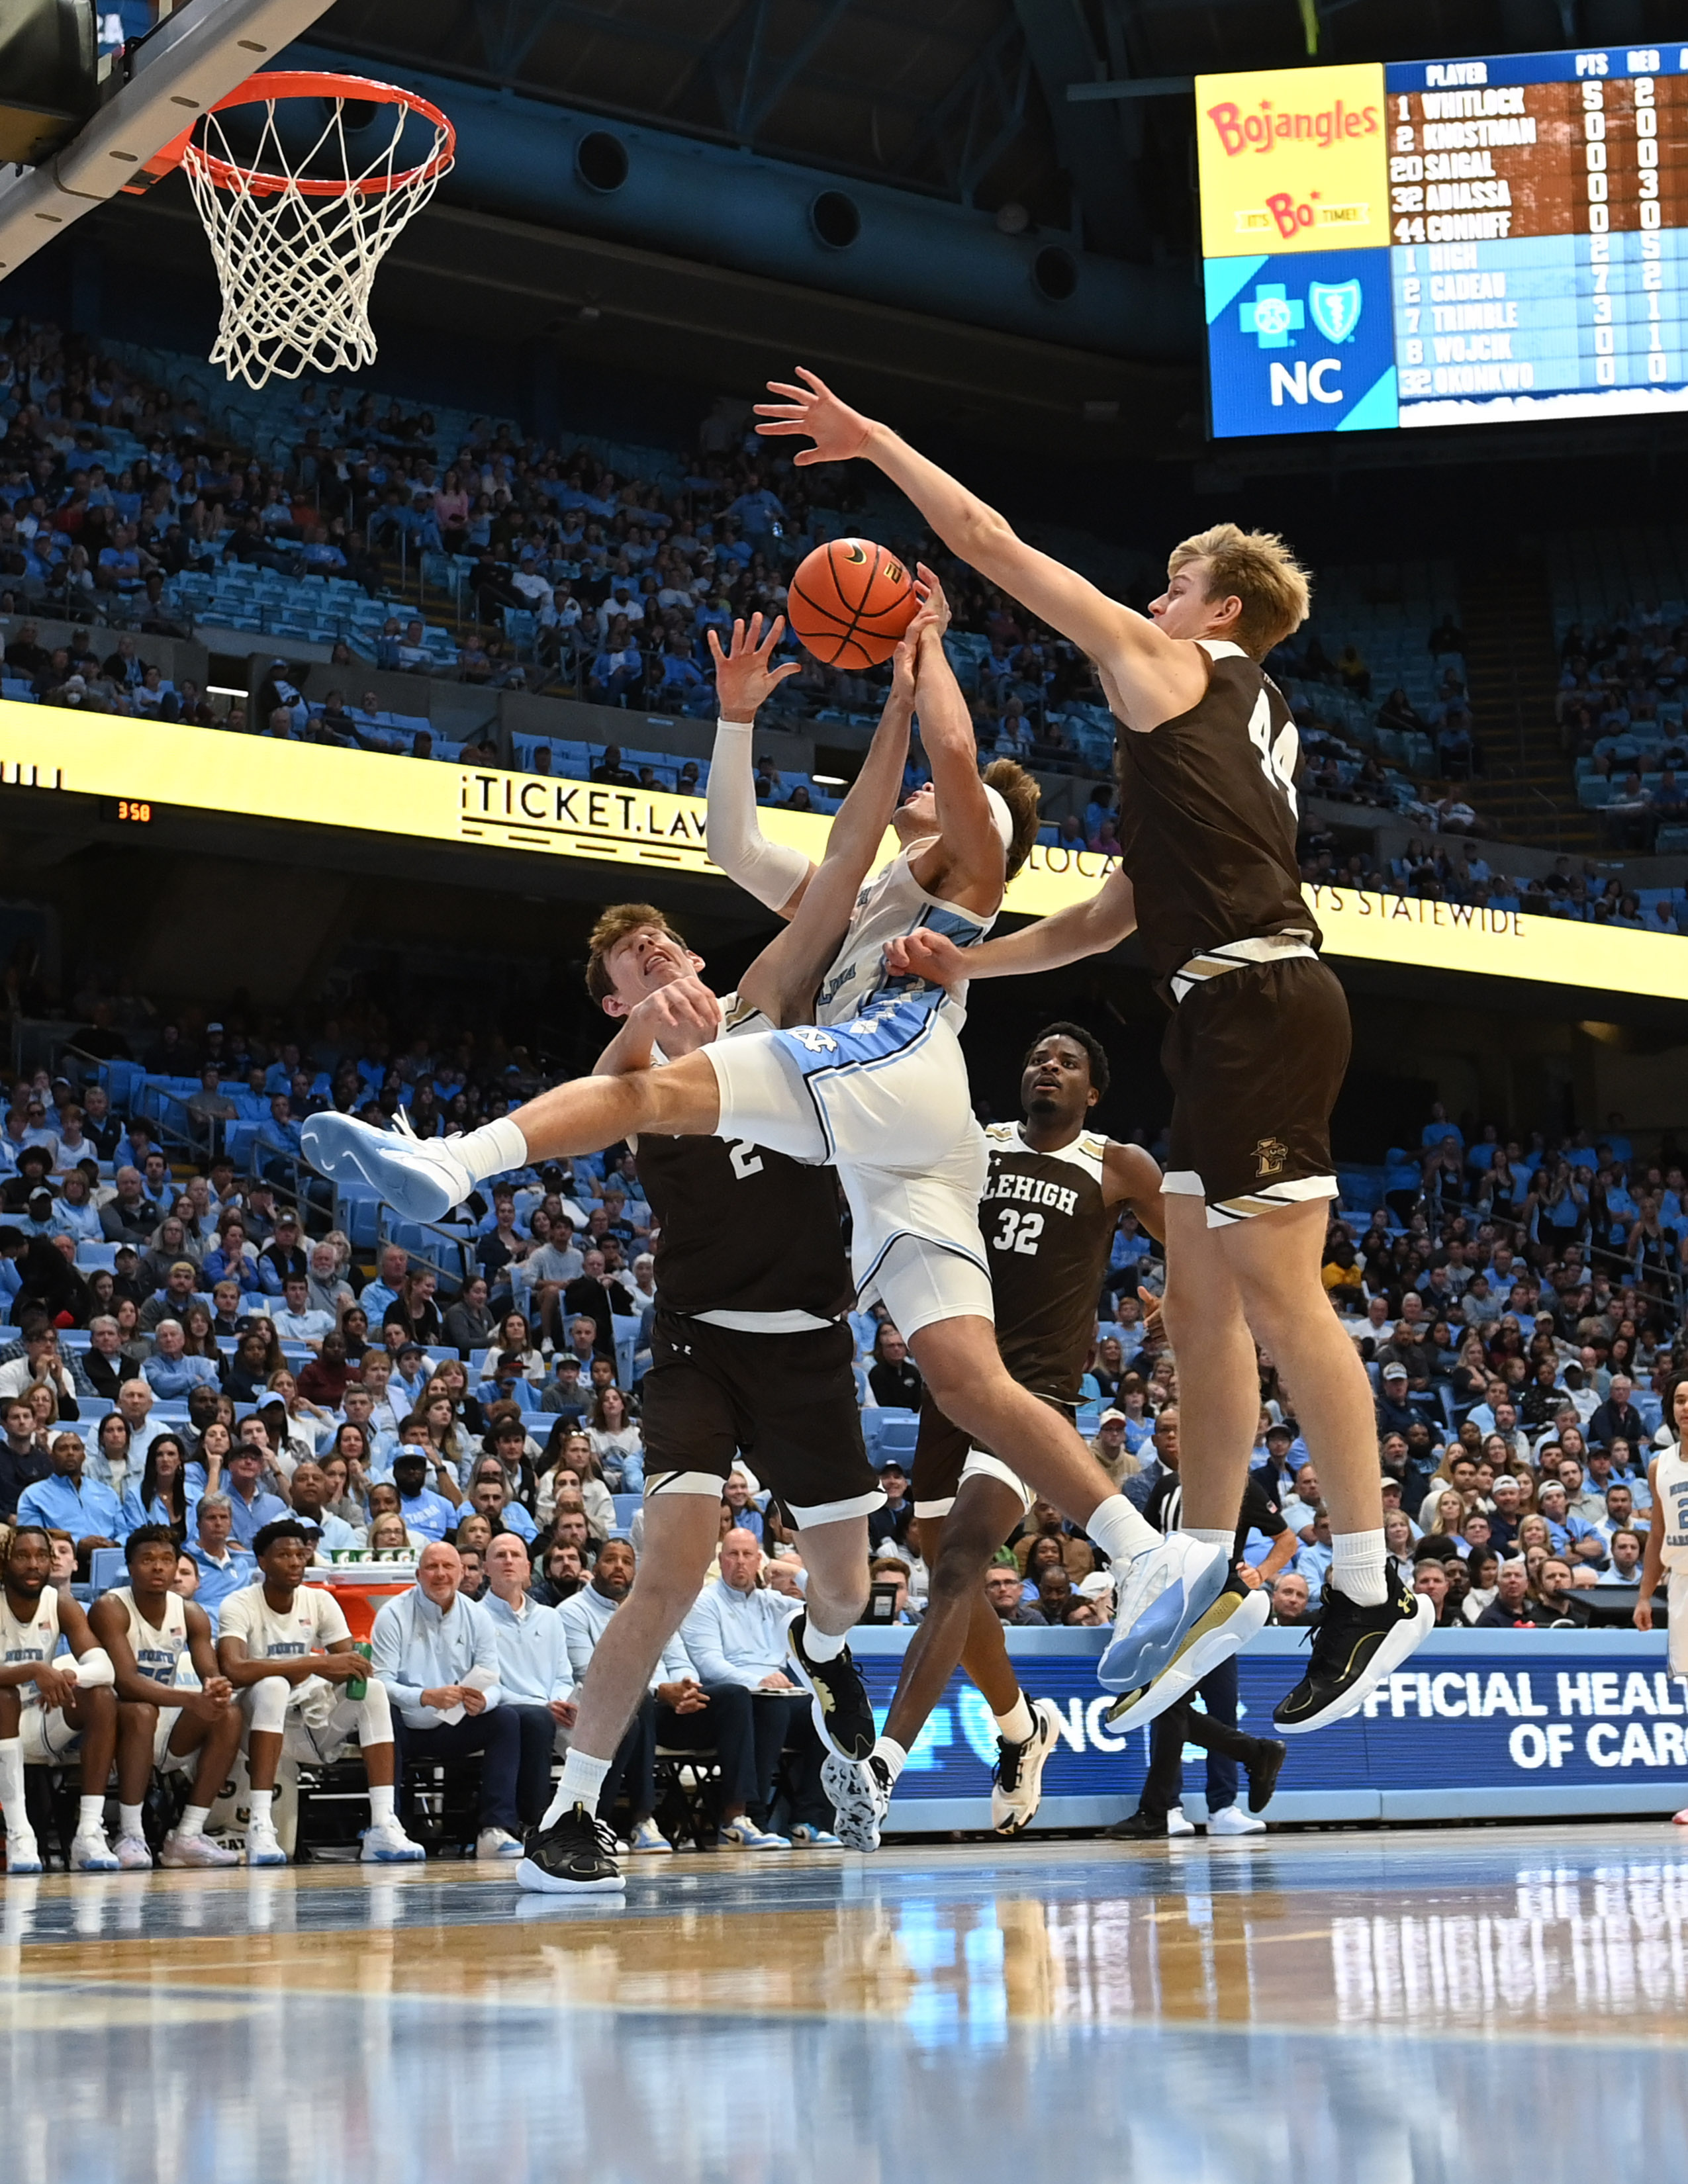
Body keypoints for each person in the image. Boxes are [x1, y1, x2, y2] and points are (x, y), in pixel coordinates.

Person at [304, 612, 1194, 1872]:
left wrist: (916, 667)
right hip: (740, 1303)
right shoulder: (727, 991)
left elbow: (898, 812)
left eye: (663, 939)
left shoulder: (795, 974)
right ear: (612, 995)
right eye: (631, 959)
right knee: (951, 1380)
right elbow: (760, 851)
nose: (657, 955)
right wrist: (773, 716)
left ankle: (986, 1604)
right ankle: (1140, 1557)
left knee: (841, 1582)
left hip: (836, 1261)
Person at [762, 369, 1434, 1736]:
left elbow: (993, 544)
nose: (1154, 597)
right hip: (1217, 1007)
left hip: (1262, 1002)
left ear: (1217, 607)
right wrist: (976, 959)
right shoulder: (1249, 727)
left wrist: (879, 438)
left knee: (1279, 1294)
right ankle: (1196, 1567)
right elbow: (1118, 909)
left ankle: (1369, 1586)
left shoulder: (1175, 667)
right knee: (1197, 1298)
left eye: (1173, 582)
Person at [849, 1022, 1168, 1852]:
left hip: (1033, 1396)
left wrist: (1191, 1303)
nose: (1047, 1068)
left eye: (1067, 1061)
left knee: (959, 1561)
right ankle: (1023, 1730)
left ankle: (881, 1764)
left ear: (1092, 1091)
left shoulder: (1117, 1164)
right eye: (1036, 1057)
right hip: (951, 1380)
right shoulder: (975, 1142)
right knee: (935, 1552)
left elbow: (1197, 1242)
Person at [218, 1520, 424, 1866]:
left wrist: (351, 1663)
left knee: (372, 1689)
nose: (296, 1562)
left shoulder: (320, 1600)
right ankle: (260, 1825)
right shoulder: (239, 1603)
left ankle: (383, 1825)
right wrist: (312, 1664)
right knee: (272, 1686)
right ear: (262, 1561)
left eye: (301, 1554)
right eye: (284, 1555)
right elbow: (234, 1669)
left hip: (310, 1724)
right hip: (257, 1726)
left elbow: (349, 1663)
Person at [89, 1524, 244, 1868]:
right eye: (147, 1560)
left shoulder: (191, 1613)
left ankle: (187, 1835)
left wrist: (216, 1690)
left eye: (166, 1559)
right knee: (141, 1710)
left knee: (228, 1714)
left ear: (177, 1567)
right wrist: (191, 1700)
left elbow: (211, 1674)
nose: (158, 1567)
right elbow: (126, 1682)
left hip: (165, 1724)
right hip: (113, 1725)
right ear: (129, 1567)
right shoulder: (110, 1607)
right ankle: (131, 1834)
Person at [680, 1527, 841, 1846]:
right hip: (730, 1699)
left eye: (747, 1555)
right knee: (771, 1707)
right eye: (732, 1555)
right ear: (721, 1560)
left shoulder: (774, 1602)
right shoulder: (704, 1603)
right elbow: (708, 1663)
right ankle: (754, 1817)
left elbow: (832, 1609)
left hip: (777, 1693)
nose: (740, 1562)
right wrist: (758, 1682)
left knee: (826, 1711)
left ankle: (808, 1819)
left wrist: (795, 1572)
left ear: (759, 1561)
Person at [370, 1538, 525, 1858]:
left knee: (506, 1719)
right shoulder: (393, 1614)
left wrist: (485, 1701)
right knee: (384, 1714)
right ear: (418, 1574)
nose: (440, 1574)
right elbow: (380, 1682)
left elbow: (492, 1679)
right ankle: (388, 1827)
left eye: (448, 1567)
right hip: (405, 1727)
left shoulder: (478, 1616)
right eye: (432, 1567)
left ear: (461, 1573)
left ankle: (495, 1829)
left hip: (455, 1724)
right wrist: (424, 1697)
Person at [0, 1523, 121, 1872]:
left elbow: (105, 1668)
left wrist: (69, 1676)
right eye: (22, 1556)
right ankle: (19, 1834)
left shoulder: (62, 1604)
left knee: (100, 1697)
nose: (34, 1564)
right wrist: (33, 1671)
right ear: (6, 1561)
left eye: (42, 1555)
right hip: (3, 1718)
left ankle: (88, 1833)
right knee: (4, 1697)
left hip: (37, 1719)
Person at [480, 1532, 577, 1828]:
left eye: (516, 1555)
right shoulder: (475, 1616)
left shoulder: (550, 1617)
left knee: (622, 1725)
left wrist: (559, 1701)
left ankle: (595, 1821)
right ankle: (536, 1824)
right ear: (486, 1568)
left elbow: (564, 1675)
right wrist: (541, 1706)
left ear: (527, 1566)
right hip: (509, 1709)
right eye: (500, 1555)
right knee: (535, 1720)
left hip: (552, 1706)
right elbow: (485, 1681)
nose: (509, 1561)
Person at [185, 1493, 256, 1615]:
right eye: (211, 1518)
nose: (218, 1523)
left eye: (224, 1517)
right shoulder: (185, 1563)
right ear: (198, 1524)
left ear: (231, 1523)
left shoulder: (243, 1563)